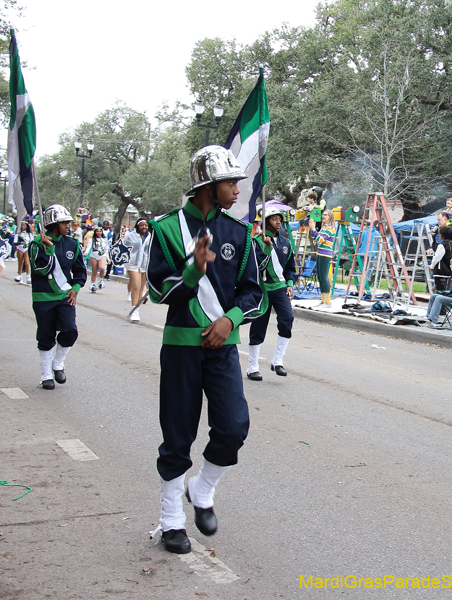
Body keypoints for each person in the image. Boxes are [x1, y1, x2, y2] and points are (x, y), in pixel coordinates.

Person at [145, 145, 263, 555]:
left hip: (224, 347)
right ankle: (170, 520)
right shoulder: (165, 230)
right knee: (178, 433)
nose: (236, 190)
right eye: (230, 182)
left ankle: (203, 488)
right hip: (180, 346)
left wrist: (230, 319)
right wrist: (193, 269)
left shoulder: (240, 233)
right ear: (208, 187)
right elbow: (160, 291)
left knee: (233, 428)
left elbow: (254, 292)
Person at [28, 204, 86, 389]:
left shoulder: (72, 244)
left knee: (70, 330)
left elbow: (79, 271)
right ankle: (46, 375)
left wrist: (75, 288)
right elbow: (40, 270)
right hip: (43, 297)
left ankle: (58, 363)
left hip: (64, 296)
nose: (69, 226)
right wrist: (49, 250)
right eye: (64, 223)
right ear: (53, 224)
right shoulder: (37, 244)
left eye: (69, 222)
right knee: (46, 334)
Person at [246, 207, 296, 381]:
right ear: (267, 221)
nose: (279, 222)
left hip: (280, 288)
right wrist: (267, 248)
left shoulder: (286, 243)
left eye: (279, 219)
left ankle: (277, 360)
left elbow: (290, 267)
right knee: (259, 326)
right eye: (274, 219)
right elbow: (257, 266)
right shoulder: (255, 241)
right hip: (262, 289)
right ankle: (252, 366)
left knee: (287, 319)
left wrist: (289, 284)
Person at [425, 256, 452, 327]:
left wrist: (448, 296)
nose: (450, 266)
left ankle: (433, 321)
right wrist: (445, 294)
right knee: (433, 296)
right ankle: (429, 318)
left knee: (439, 298)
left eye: (451, 264)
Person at [124, 218, 151, 321]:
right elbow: (123, 246)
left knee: (141, 287)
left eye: (146, 225)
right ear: (137, 226)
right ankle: (133, 310)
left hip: (145, 264)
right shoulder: (131, 236)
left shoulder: (151, 237)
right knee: (135, 286)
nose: (144, 227)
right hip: (133, 263)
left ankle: (137, 310)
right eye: (141, 225)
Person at [309, 209, 335, 306]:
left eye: (326, 215)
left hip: (325, 254)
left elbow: (320, 239)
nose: (323, 216)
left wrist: (313, 229)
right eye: (323, 214)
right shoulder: (324, 227)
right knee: (319, 276)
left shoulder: (331, 228)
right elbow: (315, 239)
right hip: (319, 253)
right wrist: (313, 230)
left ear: (330, 217)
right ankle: (323, 299)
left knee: (324, 277)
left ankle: (327, 300)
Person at [430, 225, 452, 292]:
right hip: (448, 271)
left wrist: (432, 266)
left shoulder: (442, 245)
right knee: (446, 289)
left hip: (441, 271)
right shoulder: (451, 245)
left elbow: (437, 257)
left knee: (440, 290)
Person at [85, 227, 108, 293]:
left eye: (100, 231)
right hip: (94, 254)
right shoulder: (91, 239)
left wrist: (108, 258)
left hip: (102, 255)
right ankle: (93, 284)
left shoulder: (104, 240)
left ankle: (101, 280)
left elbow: (106, 249)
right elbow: (89, 247)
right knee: (94, 271)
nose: (98, 232)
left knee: (102, 268)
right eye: (97, 231)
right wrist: (86, 253)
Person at [13, 221, 33, 285]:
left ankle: (28, 276)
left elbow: (31, 241)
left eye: (24, 225)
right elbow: (14, 242)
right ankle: (19, 276)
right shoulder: (18, 234)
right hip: (20, 248)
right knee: (20, 262)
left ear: (27, 226)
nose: (22, 226)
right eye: (21, 225)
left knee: (27, 263)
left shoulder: (29, 234)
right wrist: (19, 243)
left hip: (26, 248)